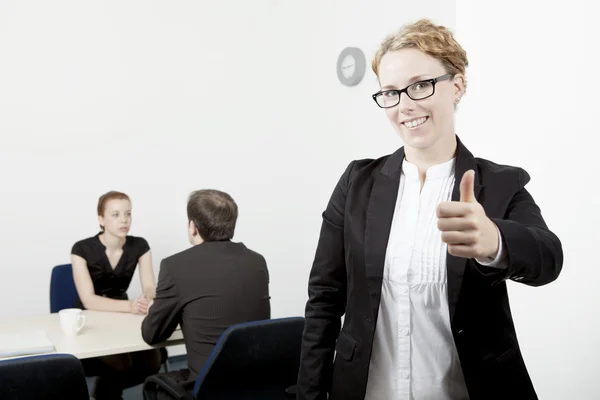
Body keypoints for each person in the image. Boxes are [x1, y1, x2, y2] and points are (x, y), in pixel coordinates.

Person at [296, 19, 563, 400]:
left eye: (420, 85)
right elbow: (323, 298)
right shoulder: (356, 183)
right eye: (390, 92)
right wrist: (309, 394)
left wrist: (495, 242)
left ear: (457, 85)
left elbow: (548, 259)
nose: (405, 105)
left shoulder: (501, 184)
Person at [141, 189, 271, 398]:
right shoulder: (257, 261)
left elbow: (152, 334)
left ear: (193, 226)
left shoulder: (176, 266)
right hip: (257, 382)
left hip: (209, 387)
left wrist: (154, 309)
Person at [71, 190, 162, 400]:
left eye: (128, 214)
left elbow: (150, 287)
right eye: (116, 215)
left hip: (123, 316)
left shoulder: (140, 245)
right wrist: (131, 306)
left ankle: (102, 392)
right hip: (89, 317)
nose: (124, 220)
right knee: (121, 364)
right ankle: (108, 395)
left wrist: (145, 299)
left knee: (153, 361)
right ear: (101, 219)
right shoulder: (81, 248)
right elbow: (88, 300)